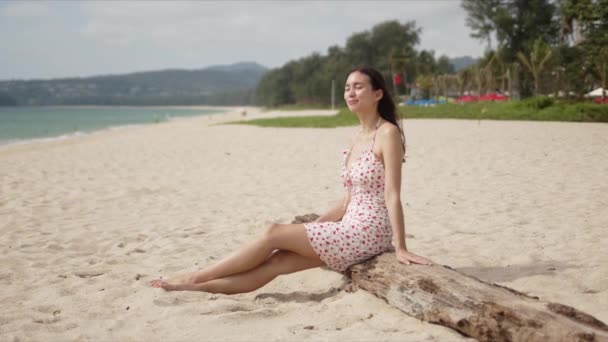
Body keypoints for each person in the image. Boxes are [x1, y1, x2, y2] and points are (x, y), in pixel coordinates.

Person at [150, 66, 433, 294]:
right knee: (277, 262)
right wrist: (319, 223)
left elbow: (392, 194)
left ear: (378, 94)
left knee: (272, 231)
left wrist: (400, 246)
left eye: (358, 86)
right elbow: (349, 199)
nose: (350, 92)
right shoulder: (356, 137)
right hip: (348, 226)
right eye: (347, 87)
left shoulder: (388, 134)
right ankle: (197, 288)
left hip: (369, 231)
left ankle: (196, 275)